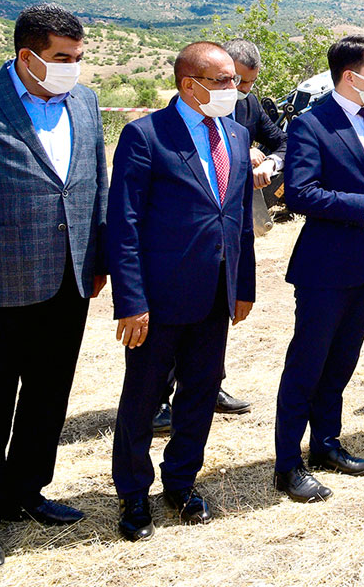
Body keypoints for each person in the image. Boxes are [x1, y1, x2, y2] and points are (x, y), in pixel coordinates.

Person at [0, 3, 107, 569]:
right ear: (26, 56)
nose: (73, 70)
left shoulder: (84, 102)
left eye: (78, 59)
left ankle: (26, 491)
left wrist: (99, 255)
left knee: (47, 396)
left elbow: (95, 183)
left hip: (70, 277)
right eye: (63, 59)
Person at [108, 42, 256, 541]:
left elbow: (236, 220)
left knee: (199, 393)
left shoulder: (235, 134)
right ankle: (132, 494)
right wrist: (130, 301)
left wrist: (244, 285)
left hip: (215, 294)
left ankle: (181, 482)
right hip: (159, 299)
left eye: (235, 81)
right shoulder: (146, 135)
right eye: (223, 82)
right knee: (143, 399)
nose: (233, 90)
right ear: (190, 85)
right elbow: (124, 225)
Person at [273, 35, 364, 501]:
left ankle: (326, 444)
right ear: (351, 76)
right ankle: (287, 464)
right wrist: (363, 206)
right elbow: (299, 192)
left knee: (341, 363)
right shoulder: (312, 126)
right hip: (324, 268)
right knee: (307, 366)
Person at [150, 38, 277, 432]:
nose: (238, 92)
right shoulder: (155, 132)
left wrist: (268, 160)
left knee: (207, 353)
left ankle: (207, 390)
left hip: (224, 261)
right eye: (230, 81)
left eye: (244, 84)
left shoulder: (246, 113)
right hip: (176, 266)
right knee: (162, 355)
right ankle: (158, 403)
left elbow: (280, 145)